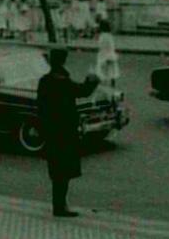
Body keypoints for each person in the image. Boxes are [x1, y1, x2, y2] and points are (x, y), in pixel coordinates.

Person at [37, 48, 100, 217]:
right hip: (65, 133)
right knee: (63, 172)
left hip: (51, 132)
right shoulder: (63, 82)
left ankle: (59, 204)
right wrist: (93, 78)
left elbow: (41, 107)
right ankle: (60, 206)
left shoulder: (45, 81)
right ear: (63, 61)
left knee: (56, 171)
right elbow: (84, 91)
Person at [95, 20, 120, 87]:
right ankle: (112, 83)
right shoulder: (110, 36)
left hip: (103, 54)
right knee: (111, 70)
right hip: (110, 54)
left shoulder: (102, 36)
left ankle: (102, 83)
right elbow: (112, 46)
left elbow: (100, 45)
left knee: (102, 70)